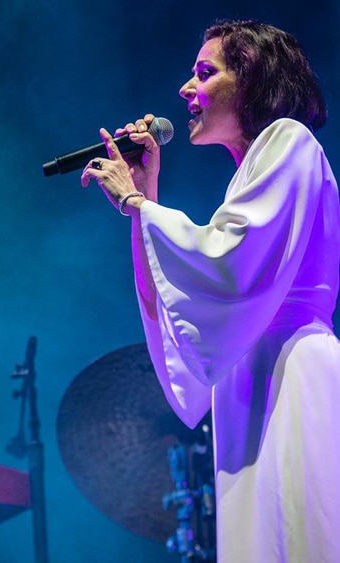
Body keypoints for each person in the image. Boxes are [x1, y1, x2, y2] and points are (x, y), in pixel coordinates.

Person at [81, 19, 340, 562]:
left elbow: (226, 265)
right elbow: (175, 305)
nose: (185, 89)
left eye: (205, 72)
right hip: (251, 379)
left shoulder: (289, 141)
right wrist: (144, 200)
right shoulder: (248, 176)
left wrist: (139, 204)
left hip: (293, 371)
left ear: (251, 80)